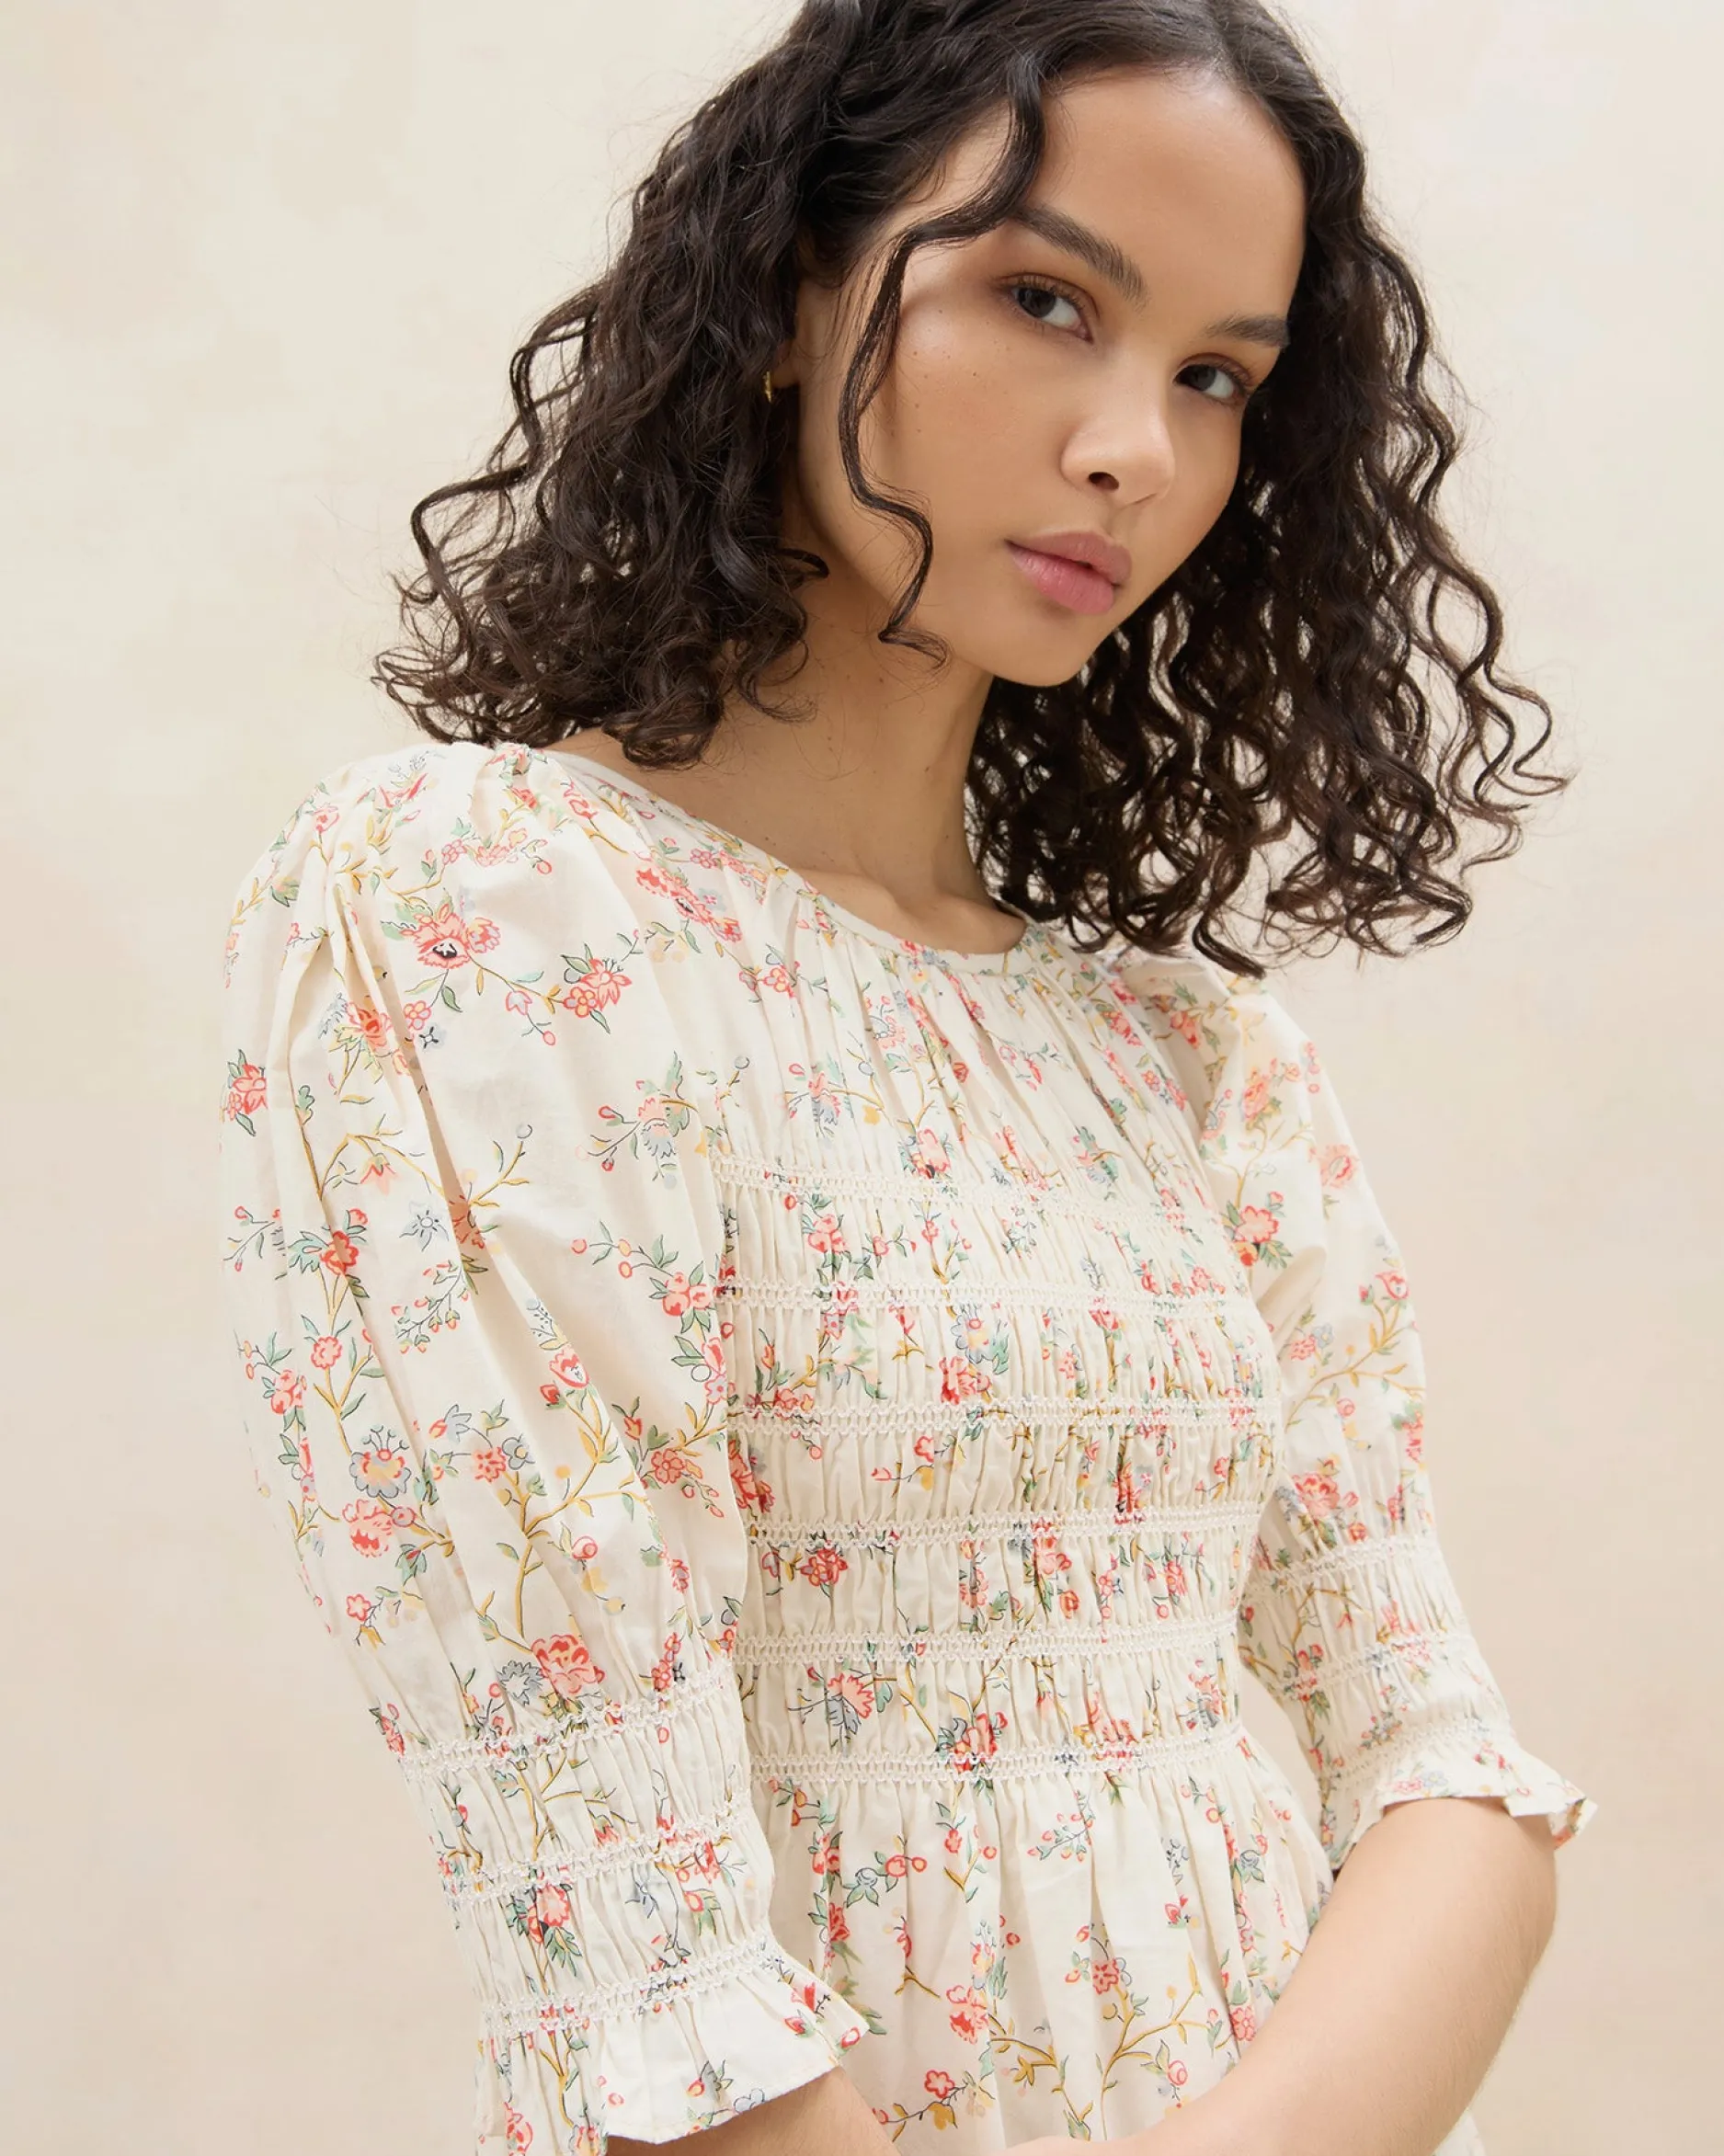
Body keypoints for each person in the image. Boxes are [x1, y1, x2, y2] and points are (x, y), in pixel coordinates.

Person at [216, 4, 1594, 2151]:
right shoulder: (485, 909)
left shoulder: (1182, 1050)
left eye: (1215, 375)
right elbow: (635, 1961)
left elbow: (1446, 1771)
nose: (1136, 449)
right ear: (788, 291)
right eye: (1046, 299)